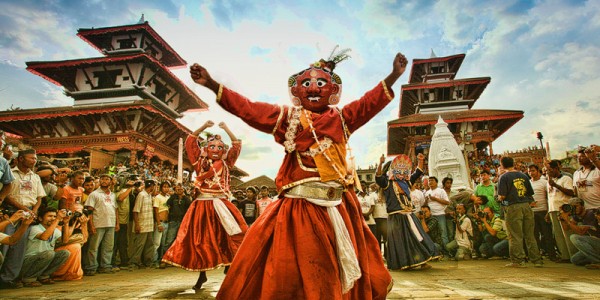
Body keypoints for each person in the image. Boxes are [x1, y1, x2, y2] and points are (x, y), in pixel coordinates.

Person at [191, 50, 406, 299]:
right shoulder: (287, 118)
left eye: (321, 83)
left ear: (333, 91)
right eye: (306, 83)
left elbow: (370, 102)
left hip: (338, 207)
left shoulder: (343, 118)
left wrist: (394, 75)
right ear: (296, 92)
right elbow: (248, 109)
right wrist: (211, 84)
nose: (313, 87)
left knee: (340, 269)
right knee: (298, 271)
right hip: (299, 209)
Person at [162, 120, 247, 291]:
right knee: (201, 241)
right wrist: (203, 128)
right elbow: (190, 141)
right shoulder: (199, 163)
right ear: (206, 149)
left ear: (223, 151)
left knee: (231, 236)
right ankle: (202, 274)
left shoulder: (226, 164)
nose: (216, 150)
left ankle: (229, 264)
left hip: (222, 205)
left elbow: (236, 145)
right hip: (202, 205)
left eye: (220, 147)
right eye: (212, 146)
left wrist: (226, 128)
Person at [377, 153, 439, 270]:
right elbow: (378, 177)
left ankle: (423, 261)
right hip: (396, 218)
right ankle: (404, 263)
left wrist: (420, 160)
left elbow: (417, 173)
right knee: (400, 242)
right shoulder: (387, 184)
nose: (400, 172)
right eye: (397, 170)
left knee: (418, 237)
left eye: (403, 170)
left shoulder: (405, 182)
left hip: (409, 215)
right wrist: (380, 163)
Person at [0, 148, 45, 289]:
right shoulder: (11, 173)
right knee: (5, 244)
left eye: (35, 158)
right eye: (31, 158)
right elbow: (6, 194)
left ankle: (8, 278)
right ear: (20, 159)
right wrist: (23, 209)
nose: (34, 161)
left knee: (19, 247)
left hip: (28, 213)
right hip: (11, 211)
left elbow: (39, 198)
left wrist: (34, 211)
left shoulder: (36, 177)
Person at [497, 156, 543, 267]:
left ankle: (518, 260)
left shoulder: (504, 177)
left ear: (502, 165)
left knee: (515, 235)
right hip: (526, 206)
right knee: (530, 235)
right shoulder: (523, 175)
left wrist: (498, 198)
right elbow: (530, 193)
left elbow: (502, 196)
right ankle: (536, 260)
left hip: (513, 207)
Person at [20, 207, 71, 287]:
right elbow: (44, 237)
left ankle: (43, 276)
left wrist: (66, 223)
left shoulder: (55, 230)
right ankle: (28, 279)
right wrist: (57, 219)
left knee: (65, 253)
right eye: (50, 216)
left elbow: (65, 241)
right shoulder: (34, 228)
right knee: (49, 254)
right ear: (40, 218)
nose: (53, 218)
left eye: (54, 216)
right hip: (28, 262)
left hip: (44, 259)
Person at [84, 174, 119, 275]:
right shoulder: (94, 194)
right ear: (99, 181)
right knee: (93, 247)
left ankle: (105, 266)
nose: (104, 181)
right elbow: (89, 211)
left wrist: (117, 223)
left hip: (110, 223)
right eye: (102, 179)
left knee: (108, 246)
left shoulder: (112, 195)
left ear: (111, 181)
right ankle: (91, 267)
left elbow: (115, 209)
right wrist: (91, 225)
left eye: (107, 179)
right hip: (98, 223)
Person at [546, 159, 576, 262]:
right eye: (546, 170)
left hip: (564, 210)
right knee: (558, 234)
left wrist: (555, 185)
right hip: (553, 210)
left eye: (550, 170)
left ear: (556, 168)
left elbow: (571, 192)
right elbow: (550, 197)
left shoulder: (566, 178)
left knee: (567, 233)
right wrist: (548, 212)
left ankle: (573, 256)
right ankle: (565, 256)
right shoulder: (549, 182)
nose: (548, 172)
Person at [528, 164, 555, 259]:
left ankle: (552, 255)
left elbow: (549, 197)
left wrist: (548, 211)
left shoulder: (544, 182)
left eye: (533, 170)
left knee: (547, 234)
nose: (531, 173)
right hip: (532, 212)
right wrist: (529, 204)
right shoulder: (528, 183)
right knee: (534, 235)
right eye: (529, 171)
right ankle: (537, 255)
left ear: (538, 171)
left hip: (543, 211)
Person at [162, 183, 191, 268]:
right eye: (178, 189)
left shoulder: (186, 199)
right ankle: (165, 259)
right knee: (169, 240)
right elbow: (167, 204)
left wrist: (183, 196)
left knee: (181, 241)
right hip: (173, 221)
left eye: (181, 189)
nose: (179, 190)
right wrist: (175, 195)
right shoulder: (173, 197)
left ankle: (178, 260)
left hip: (182, 222)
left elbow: (190, 206)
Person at [129, 180, 157, 269]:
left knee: (149, 244)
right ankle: (134, 262)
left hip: (149, 224)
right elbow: (135, 211)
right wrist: (137, 224)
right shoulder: (141, 195)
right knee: (139, 245)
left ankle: (147, 262)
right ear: (152, 186)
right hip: (142, 224)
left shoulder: (149, 195)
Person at [424, 176, 450, 254]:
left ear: (436, 182)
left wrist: (435, 199)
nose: (430, 182)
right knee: (431, 233)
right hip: (431, 216)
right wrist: (426, 201)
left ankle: (447, 252)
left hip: (440, 214)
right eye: (429, 181)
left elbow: (447, 202)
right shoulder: (427, 192)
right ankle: (436, 251)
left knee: (443, 233)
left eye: (432, 180)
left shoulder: (441, 191)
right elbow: (425, 206)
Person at [152, 181, 170, 268]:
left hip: (167, 223)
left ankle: (161, 260)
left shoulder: (168, 197)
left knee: (163, 243)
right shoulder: (157, 197)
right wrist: (158, 223)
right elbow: (156, 211)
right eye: (164, 187)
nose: (166, 188)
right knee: (157, 243)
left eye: (167, 187)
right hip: (161, 222)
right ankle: (154, 261)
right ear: (161, 188)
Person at [371, 183, 388, 258]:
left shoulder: (387, 195)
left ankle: (387, 255)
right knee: (377, 238)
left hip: (386, 218)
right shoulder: (372, 195)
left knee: (386, 238)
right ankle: (378, 256)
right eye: (378, 184)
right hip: (376, 218)